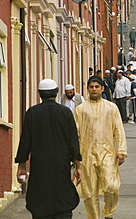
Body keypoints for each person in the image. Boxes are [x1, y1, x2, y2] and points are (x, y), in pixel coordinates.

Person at [15, 79, 82, 219]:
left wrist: (21, 165)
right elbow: (73, 141)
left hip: (40, 164)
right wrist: (78, 166)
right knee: (62, 193)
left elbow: (25, 141)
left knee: (40, 195)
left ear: (40, 94)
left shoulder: (32, 113)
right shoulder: (65, 112)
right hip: (61, 164)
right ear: (57, 93)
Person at [73, 76, 127, 219]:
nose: (94, 89)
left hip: (108, 153)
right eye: (92, 87)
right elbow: (73, 134)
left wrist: (121, 151)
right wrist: (73, 155)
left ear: (102, 88)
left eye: (97, 86)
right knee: (89, 191)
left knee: (111, 186)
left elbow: (118, 130)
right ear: (88, 89)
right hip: (86, 154)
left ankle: (108, 213)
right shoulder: (80, 110)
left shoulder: (111, 108)